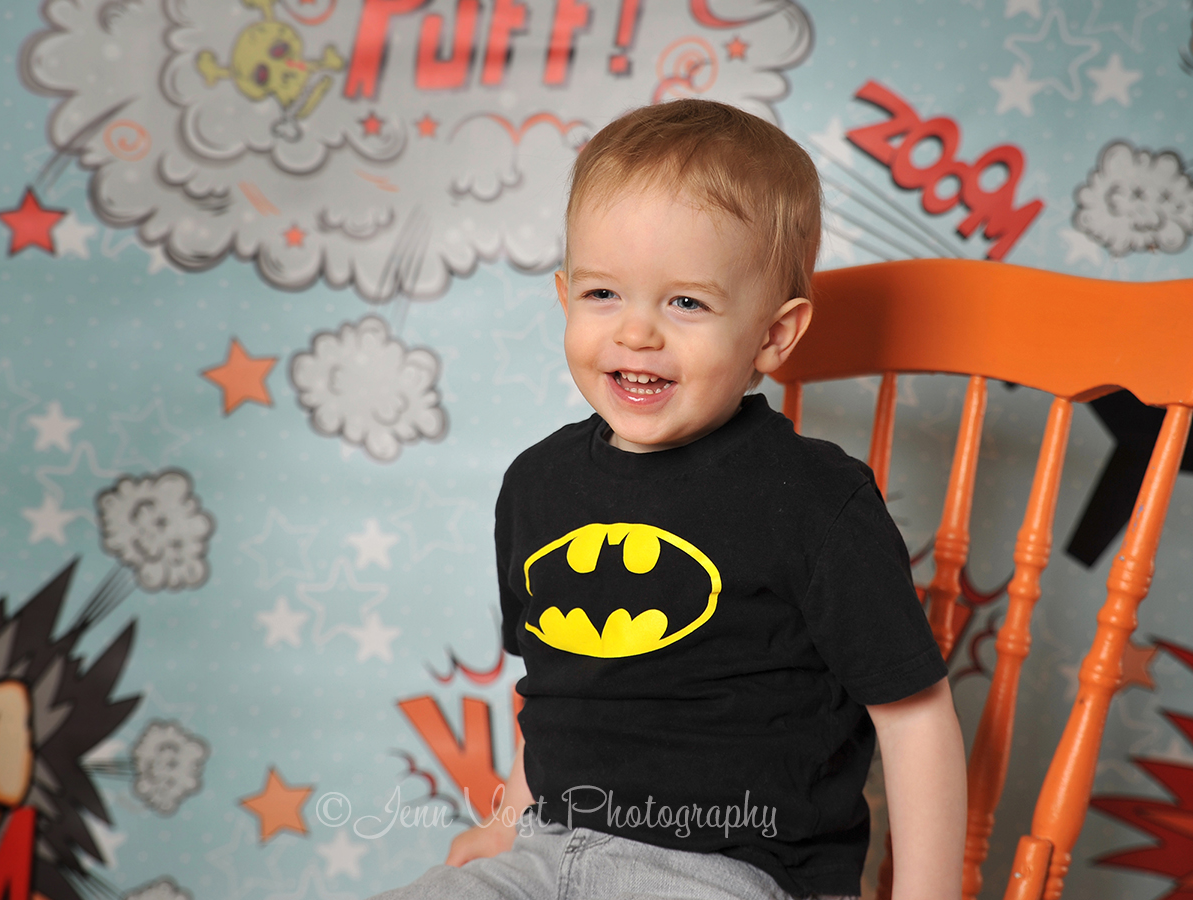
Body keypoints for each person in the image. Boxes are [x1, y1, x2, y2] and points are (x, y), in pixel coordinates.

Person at [372, 99, 966, 900]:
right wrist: (509, 824)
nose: (637, 333)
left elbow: (915, 716)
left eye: (686, 302)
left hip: (728, 870)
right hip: (546, 849)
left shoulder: (814, 502)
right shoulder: (539, 484)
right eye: (603, 294)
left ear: (774, 334)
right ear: (563, 296)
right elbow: (551, 688)